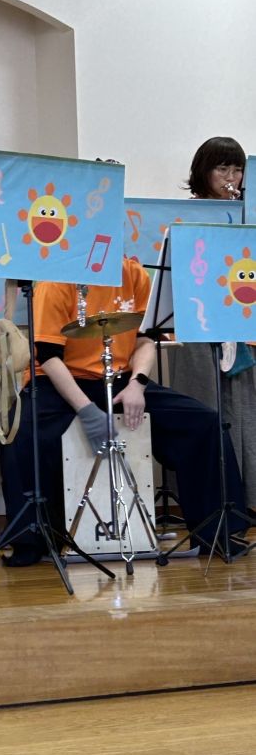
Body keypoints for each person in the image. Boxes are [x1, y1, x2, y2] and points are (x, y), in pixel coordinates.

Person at [0, 256, 249, 566]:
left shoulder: (135, 274)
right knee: (21, 434)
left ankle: (215, 532)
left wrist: (138, 384)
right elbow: (49, 356)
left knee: (203, 423)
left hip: (120, 379)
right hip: (58, 380)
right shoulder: (56, 279)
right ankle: (29, 541)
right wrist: (87, 411)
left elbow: (146, 338)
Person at [169, 137, 256, 508]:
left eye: (237, 169)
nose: (231, 177)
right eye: (222, 168)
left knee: (246, 413)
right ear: (203, 171)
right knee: (202, 407)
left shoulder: (250, 216)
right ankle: (206, 502)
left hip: (242, 323)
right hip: (196, 326)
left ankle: (246, 501)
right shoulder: (182, 216)